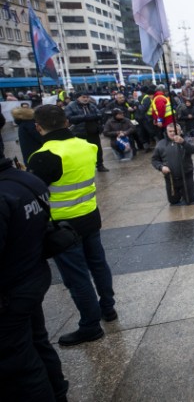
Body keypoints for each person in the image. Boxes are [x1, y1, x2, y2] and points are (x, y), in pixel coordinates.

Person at [27, 105, 116, 346]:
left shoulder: (43, 155)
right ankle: (108, 308)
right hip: (89, 214)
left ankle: (90, 325)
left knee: (77, 276)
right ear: (67, 122)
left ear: (38, 127)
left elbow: (33, 191)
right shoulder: (88, 146)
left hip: (62, 225)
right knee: (98, 264)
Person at [0, 156, 70, 401]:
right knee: (38, 342)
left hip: (11, 293)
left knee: (19, 368)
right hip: (32, 278)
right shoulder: (28, 181)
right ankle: (58, 390)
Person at [151, 123, 194, 206]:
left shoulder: (186, 140)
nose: (172, 133)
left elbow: (193, 149)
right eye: (170, 131)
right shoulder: (161, 144)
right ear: (166, 132)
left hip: (186, 175)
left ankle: (187, 194)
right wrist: (161, 167)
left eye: (175, 131)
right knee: (173, 201)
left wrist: (183, 142)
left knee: (190, 200)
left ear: (180, 131)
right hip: (170, 177)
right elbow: (154, 160)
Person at [65, 91, 108, 172]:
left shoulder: (91, 105)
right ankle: (83, 166)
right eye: (83, 97)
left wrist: (93, 118)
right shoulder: (71, 106)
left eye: (87, 97)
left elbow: (99, 114)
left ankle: (100, 165)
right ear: (78, 98)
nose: (86, 99)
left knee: (97, 148)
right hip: (79, 132)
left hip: (93, 131)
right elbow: (69, 118)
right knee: (81, 151)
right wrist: (84, 117)